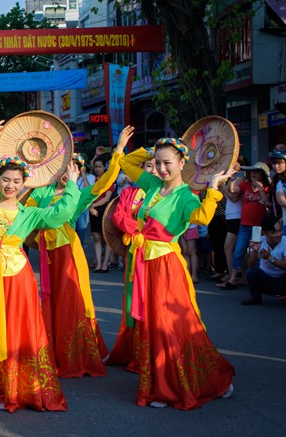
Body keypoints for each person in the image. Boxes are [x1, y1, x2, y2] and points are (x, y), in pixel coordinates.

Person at [0, 120, 79, 413]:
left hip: (17, 276)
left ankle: (19, 388)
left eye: (16, 181)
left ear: (24, 183)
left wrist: (73, 185)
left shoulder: (30, 213)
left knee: (18, 328)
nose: (10, 185)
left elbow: (59, 215)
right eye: (5, 180)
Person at [118, 137, 235, 410]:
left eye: (167, 163)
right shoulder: (152, 184)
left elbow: (203, 218)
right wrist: (153, 149)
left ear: (183, 163)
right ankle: (161, 384)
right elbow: (126, 162)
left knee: (172, 327)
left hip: (166, 267)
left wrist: (214, 187)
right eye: (157, 163)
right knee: (153, 327)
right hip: (145, 264)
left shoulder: (186, 196)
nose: (161, 169)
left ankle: (206, 379)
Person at [26, 126, 133, 378]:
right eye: (63, 167)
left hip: (69, 255)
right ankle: (49, 350)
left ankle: (75, 353)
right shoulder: (40, 192)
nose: (66, 173)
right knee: (50, 302)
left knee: (73, 302)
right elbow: (24, 207)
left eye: (72, 168)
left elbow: (104, 184)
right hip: (47, 254)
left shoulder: (78, 195)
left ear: (78, 171)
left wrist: (117, 152)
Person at [106, 147, 159, 370]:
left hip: (158, 253)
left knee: (156, 302)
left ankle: (157, 352)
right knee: (132, 300)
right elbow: (118, 217)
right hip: (134, 251)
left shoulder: (168, 193)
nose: (155, 170)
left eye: (161, 165)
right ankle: (134, 350)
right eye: (150, 165)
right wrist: (149, 152)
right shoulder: (129, 193)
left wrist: (146, 233)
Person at [218, 162, 270, 290]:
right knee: (238, 252)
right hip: (245, 224)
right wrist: (232, 178)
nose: (253, 173)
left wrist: (261, 188)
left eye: (256, 172)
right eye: (252, 171)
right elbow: (233, 192)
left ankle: (256, 279)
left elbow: (267, 203)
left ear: (262, 175)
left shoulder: (267, 188)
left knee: (255, 253)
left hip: (258, 227)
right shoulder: (245, 185)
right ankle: (233, 278)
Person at [242, 214, 286, 305]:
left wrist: (270, 258)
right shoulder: (259, 241)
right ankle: (255, 297)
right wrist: (254, 251)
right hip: (266, 280)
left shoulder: (285, 241)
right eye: (274, 232)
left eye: (280, 231)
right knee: (252, 271)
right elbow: (251, 265)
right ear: (265, 233)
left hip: (282, 280)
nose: (278, 234)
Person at [89, 156, 115, 272]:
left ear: (105, 167)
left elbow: (106, 198)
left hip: (104, 210)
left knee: (106, 237)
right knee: (96, 237)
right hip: (92, 209)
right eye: (96, 167)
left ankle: (105, 264)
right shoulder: (91, 180)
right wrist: (91, 207)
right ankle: (99, 263)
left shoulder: (108, 180)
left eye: (100, 166)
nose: (98, 169)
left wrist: (93, 206)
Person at [72, 153, 94, 243]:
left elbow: (89, 192)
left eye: (78, 165)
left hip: (83, 210)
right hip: (71, 209)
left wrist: (84, 176)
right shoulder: (70, 176)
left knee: (80, 236)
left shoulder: (91, 177)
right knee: (69, 236)